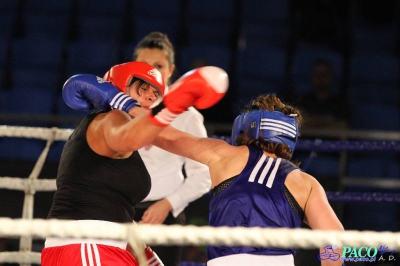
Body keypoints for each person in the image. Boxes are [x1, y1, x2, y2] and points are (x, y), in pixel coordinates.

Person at [41, 61, 228, 266]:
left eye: (155, 93)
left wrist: (145, 256)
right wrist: (173, 103)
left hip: (105, 244)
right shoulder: (108, 119)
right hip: (85, 242)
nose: (150, 96)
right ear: (119, 87)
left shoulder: (125, 135)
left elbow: (113, 207)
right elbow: (129, 138)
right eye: (142, 87)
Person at [151, 93, 345, 266]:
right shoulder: (306, 183)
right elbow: (334, 238)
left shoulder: (223, 154)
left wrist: (128, 108)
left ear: (248, 127)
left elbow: (164, 136)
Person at [132, 32, 211, 266]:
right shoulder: (117, 111)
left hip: (165, 216)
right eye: (145, 66)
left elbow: (204, 174)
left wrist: (168, 204)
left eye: (159, 66)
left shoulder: (187, 116)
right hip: (120, 212)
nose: (152, 72)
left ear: (171, 69)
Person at [296, 58, 349, 129]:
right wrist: (326, 120)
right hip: (306, 140)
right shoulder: (302, 101)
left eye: (324, 74)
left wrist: (311, 120)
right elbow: (298, 124)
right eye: (317, 74)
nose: (320, 78)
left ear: (331, 76)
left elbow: (342, 126)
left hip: (331, 140)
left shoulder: (340, 104)